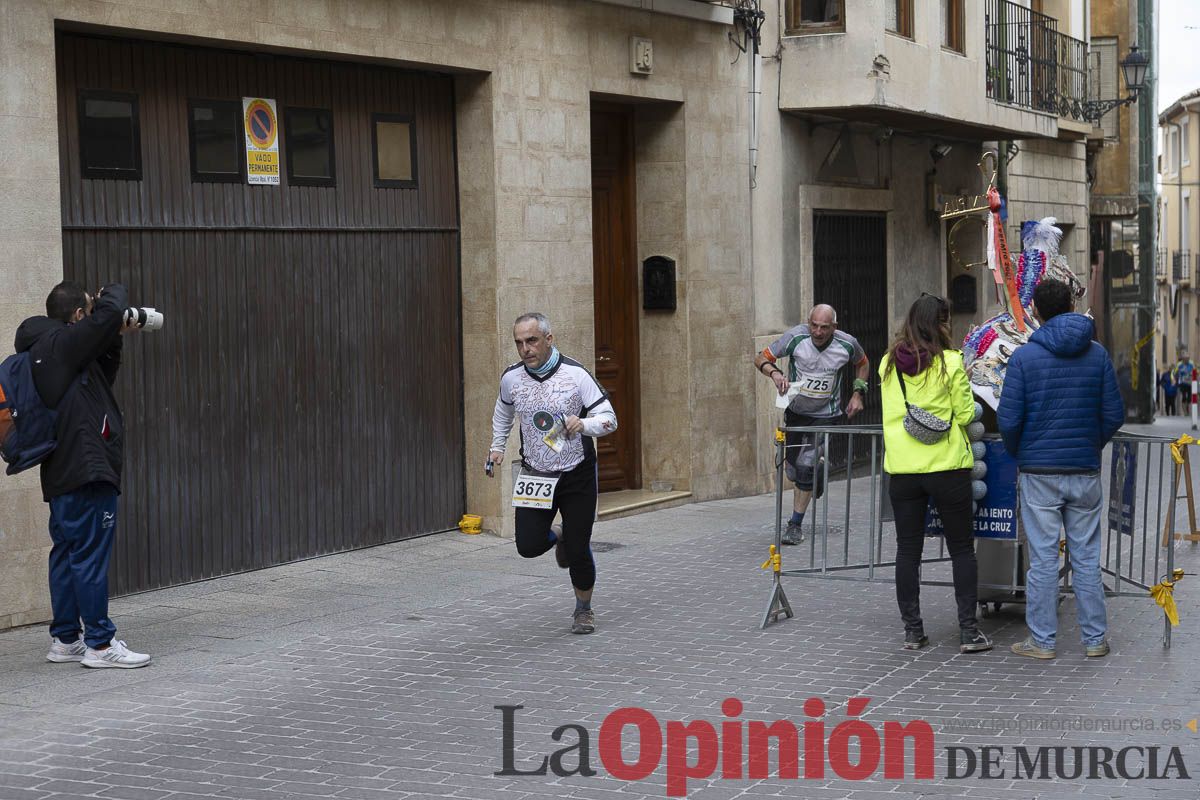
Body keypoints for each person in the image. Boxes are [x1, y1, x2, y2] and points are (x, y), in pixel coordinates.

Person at [14, 282, 151, 669]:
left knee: (66, 553)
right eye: (89, 312)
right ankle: (101, 645)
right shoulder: (60, 344)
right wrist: (114, 293)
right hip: (86, 468)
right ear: (77, 315)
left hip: (63, 470)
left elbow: (100, 380)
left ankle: (66, 640)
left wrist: (114, 338)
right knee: (89, 556)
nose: (93, 318)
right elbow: (108, 312)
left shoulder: (52, 351)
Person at [998, 279, 1124, 659]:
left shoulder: (1023, 358)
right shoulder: (1097, 354)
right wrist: (1091, 445)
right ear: (1071, 304)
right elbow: (1114, 413)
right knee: (1086, 558)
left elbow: (1008, 419)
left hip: (1039, 471)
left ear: (1035, 310)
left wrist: (1021, 450)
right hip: (1083, 471)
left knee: (1043, 559)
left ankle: (1042, 641)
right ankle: (1095, 640)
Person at [488, 313, 617, 634]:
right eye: (519, 342)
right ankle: (559, 533)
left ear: (549, 339)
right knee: (528, 546)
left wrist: (583, 424)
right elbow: (503, 411)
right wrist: (497, 446)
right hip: (536, 473)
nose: (525, 349)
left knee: (578, 547)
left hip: (577, 473)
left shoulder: (576, 374)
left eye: (531, 340)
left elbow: (609, 418)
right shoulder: (512, 378)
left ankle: (583, 609)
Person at [879, 294, 991, 654]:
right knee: (961, 549)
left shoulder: (887, 365)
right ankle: (968, 632)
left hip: (903, 469)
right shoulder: (950, 363)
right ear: (941, 324)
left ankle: (913, 631)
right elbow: (963, 415)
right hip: (947, 467)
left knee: (907, 551)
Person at [754, 304, 868, 545]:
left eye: (824, 327)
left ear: (834, 328)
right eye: (813, 325)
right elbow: (760, 358)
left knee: (805, 466)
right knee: (794, 471)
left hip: (826, 416)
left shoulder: (847, 343)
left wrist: (858, 393)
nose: (817, 332)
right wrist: (774, 373)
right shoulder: (796, 337)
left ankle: (795, 525)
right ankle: (817, 473)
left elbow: (863, 363)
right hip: (796, 413)